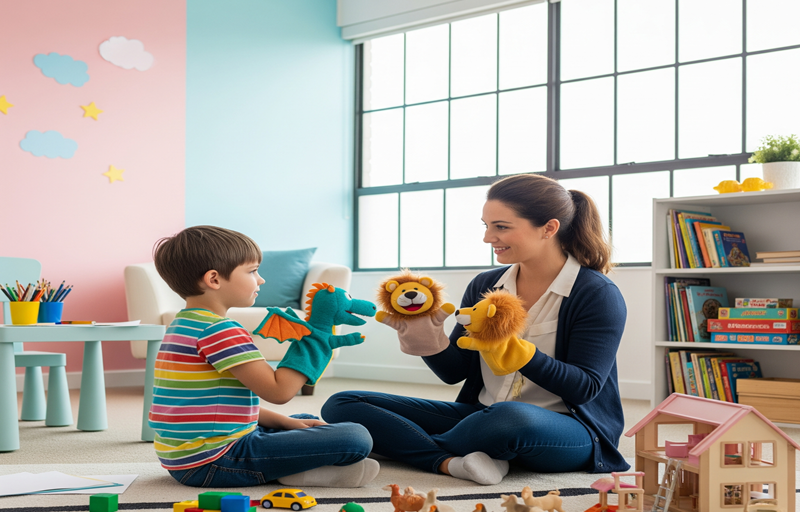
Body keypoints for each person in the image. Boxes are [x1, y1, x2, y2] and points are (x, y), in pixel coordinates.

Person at [322, 174, 628, 485]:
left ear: (549, 228)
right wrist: (432, 343)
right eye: (486, 226)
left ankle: (397, 443)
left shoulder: (596, 294)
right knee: (342, 403)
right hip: (480, 414)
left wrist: (520, 355)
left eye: (502, 227)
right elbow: (455, 372)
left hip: (567, 428)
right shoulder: (485, 285)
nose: (488, 238)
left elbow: (584, 387)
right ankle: (448, 461)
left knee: (508, 419)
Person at [149, 225, 379, 488]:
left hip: (185, 459)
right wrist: (317, 336)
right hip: (216, 461)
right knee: (355, 437)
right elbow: (279, 391)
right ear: (214, 279)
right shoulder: (220, 330)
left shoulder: (182, 326)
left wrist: (287, 423)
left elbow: (218, 406)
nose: (261, 280)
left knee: (302, 419)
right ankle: (296, 473)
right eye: (252, 271)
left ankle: (290, 465)